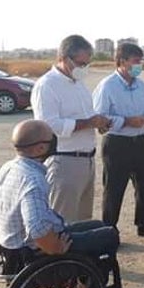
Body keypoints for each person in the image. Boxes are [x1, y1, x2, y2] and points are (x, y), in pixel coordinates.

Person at [31, 35, 111, 222]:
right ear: (64, 58)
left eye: (87, 64)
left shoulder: (78, 84)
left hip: (87, 160)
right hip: (64, 162)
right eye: (81, 63)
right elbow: (48, 126)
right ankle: (60, 254)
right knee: (63, 222)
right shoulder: (47, 85)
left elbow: (86, 117)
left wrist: (99, 124)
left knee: (83, 220)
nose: (84, 68)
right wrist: (89, 123)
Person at [92, 43, 144, 239]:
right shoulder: (107, 86)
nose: (139, 65)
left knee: (143, 185)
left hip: (139, 141)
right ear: (122, 61)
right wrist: (126, 121)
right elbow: (99, 119)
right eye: (135, 61)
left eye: (140, 61)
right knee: (114, 188)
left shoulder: (141, 85)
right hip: (117, 143)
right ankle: (109, 229)